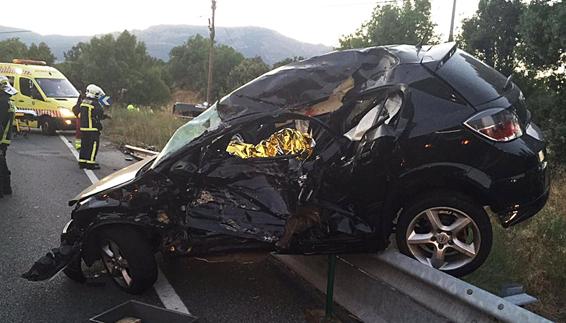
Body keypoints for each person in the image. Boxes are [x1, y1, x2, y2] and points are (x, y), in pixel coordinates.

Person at [78, 84, 110, 170]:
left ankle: (82, 162)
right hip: (92, 129)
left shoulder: (83, 102)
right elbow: (99, 115)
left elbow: (76, 110)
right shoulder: (95, 104)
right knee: (93, 146)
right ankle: (90, 163)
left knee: (84, 145)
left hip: (83, 128)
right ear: (95, 93)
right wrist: (105, 116)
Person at [0, 75, 17, 198]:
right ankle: (6, 188)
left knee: (1, 165)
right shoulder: (8, 100)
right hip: (5, 138)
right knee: (2, 163)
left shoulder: (2, 102)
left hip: (1, 138)